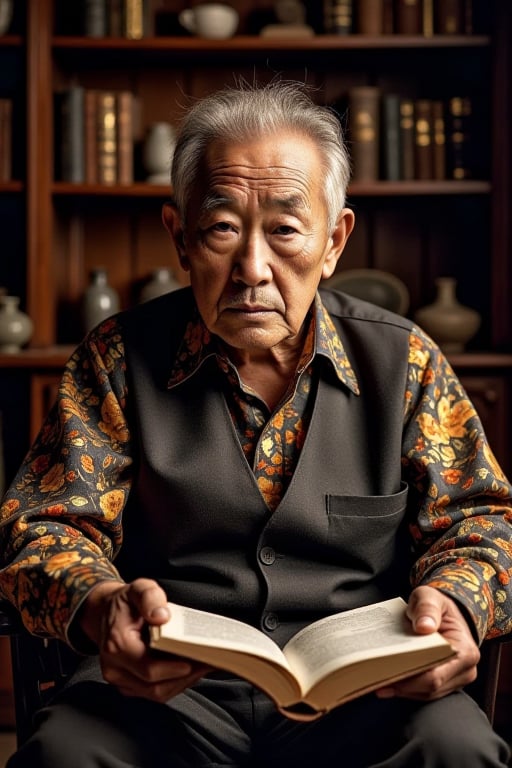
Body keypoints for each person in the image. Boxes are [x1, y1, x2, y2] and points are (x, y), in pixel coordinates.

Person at [0, 80, 511, 768]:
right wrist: (102, 606)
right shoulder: (116, 361)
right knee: (65, 751)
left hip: (364, 691)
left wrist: (456, 602)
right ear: (179, 237)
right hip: (164, 690)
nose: (252, 268)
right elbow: (44, 527)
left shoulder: (405, 362)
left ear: (333, 242)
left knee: (457, 747)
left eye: (285, 229)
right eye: (221, 229)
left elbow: (480, 522)